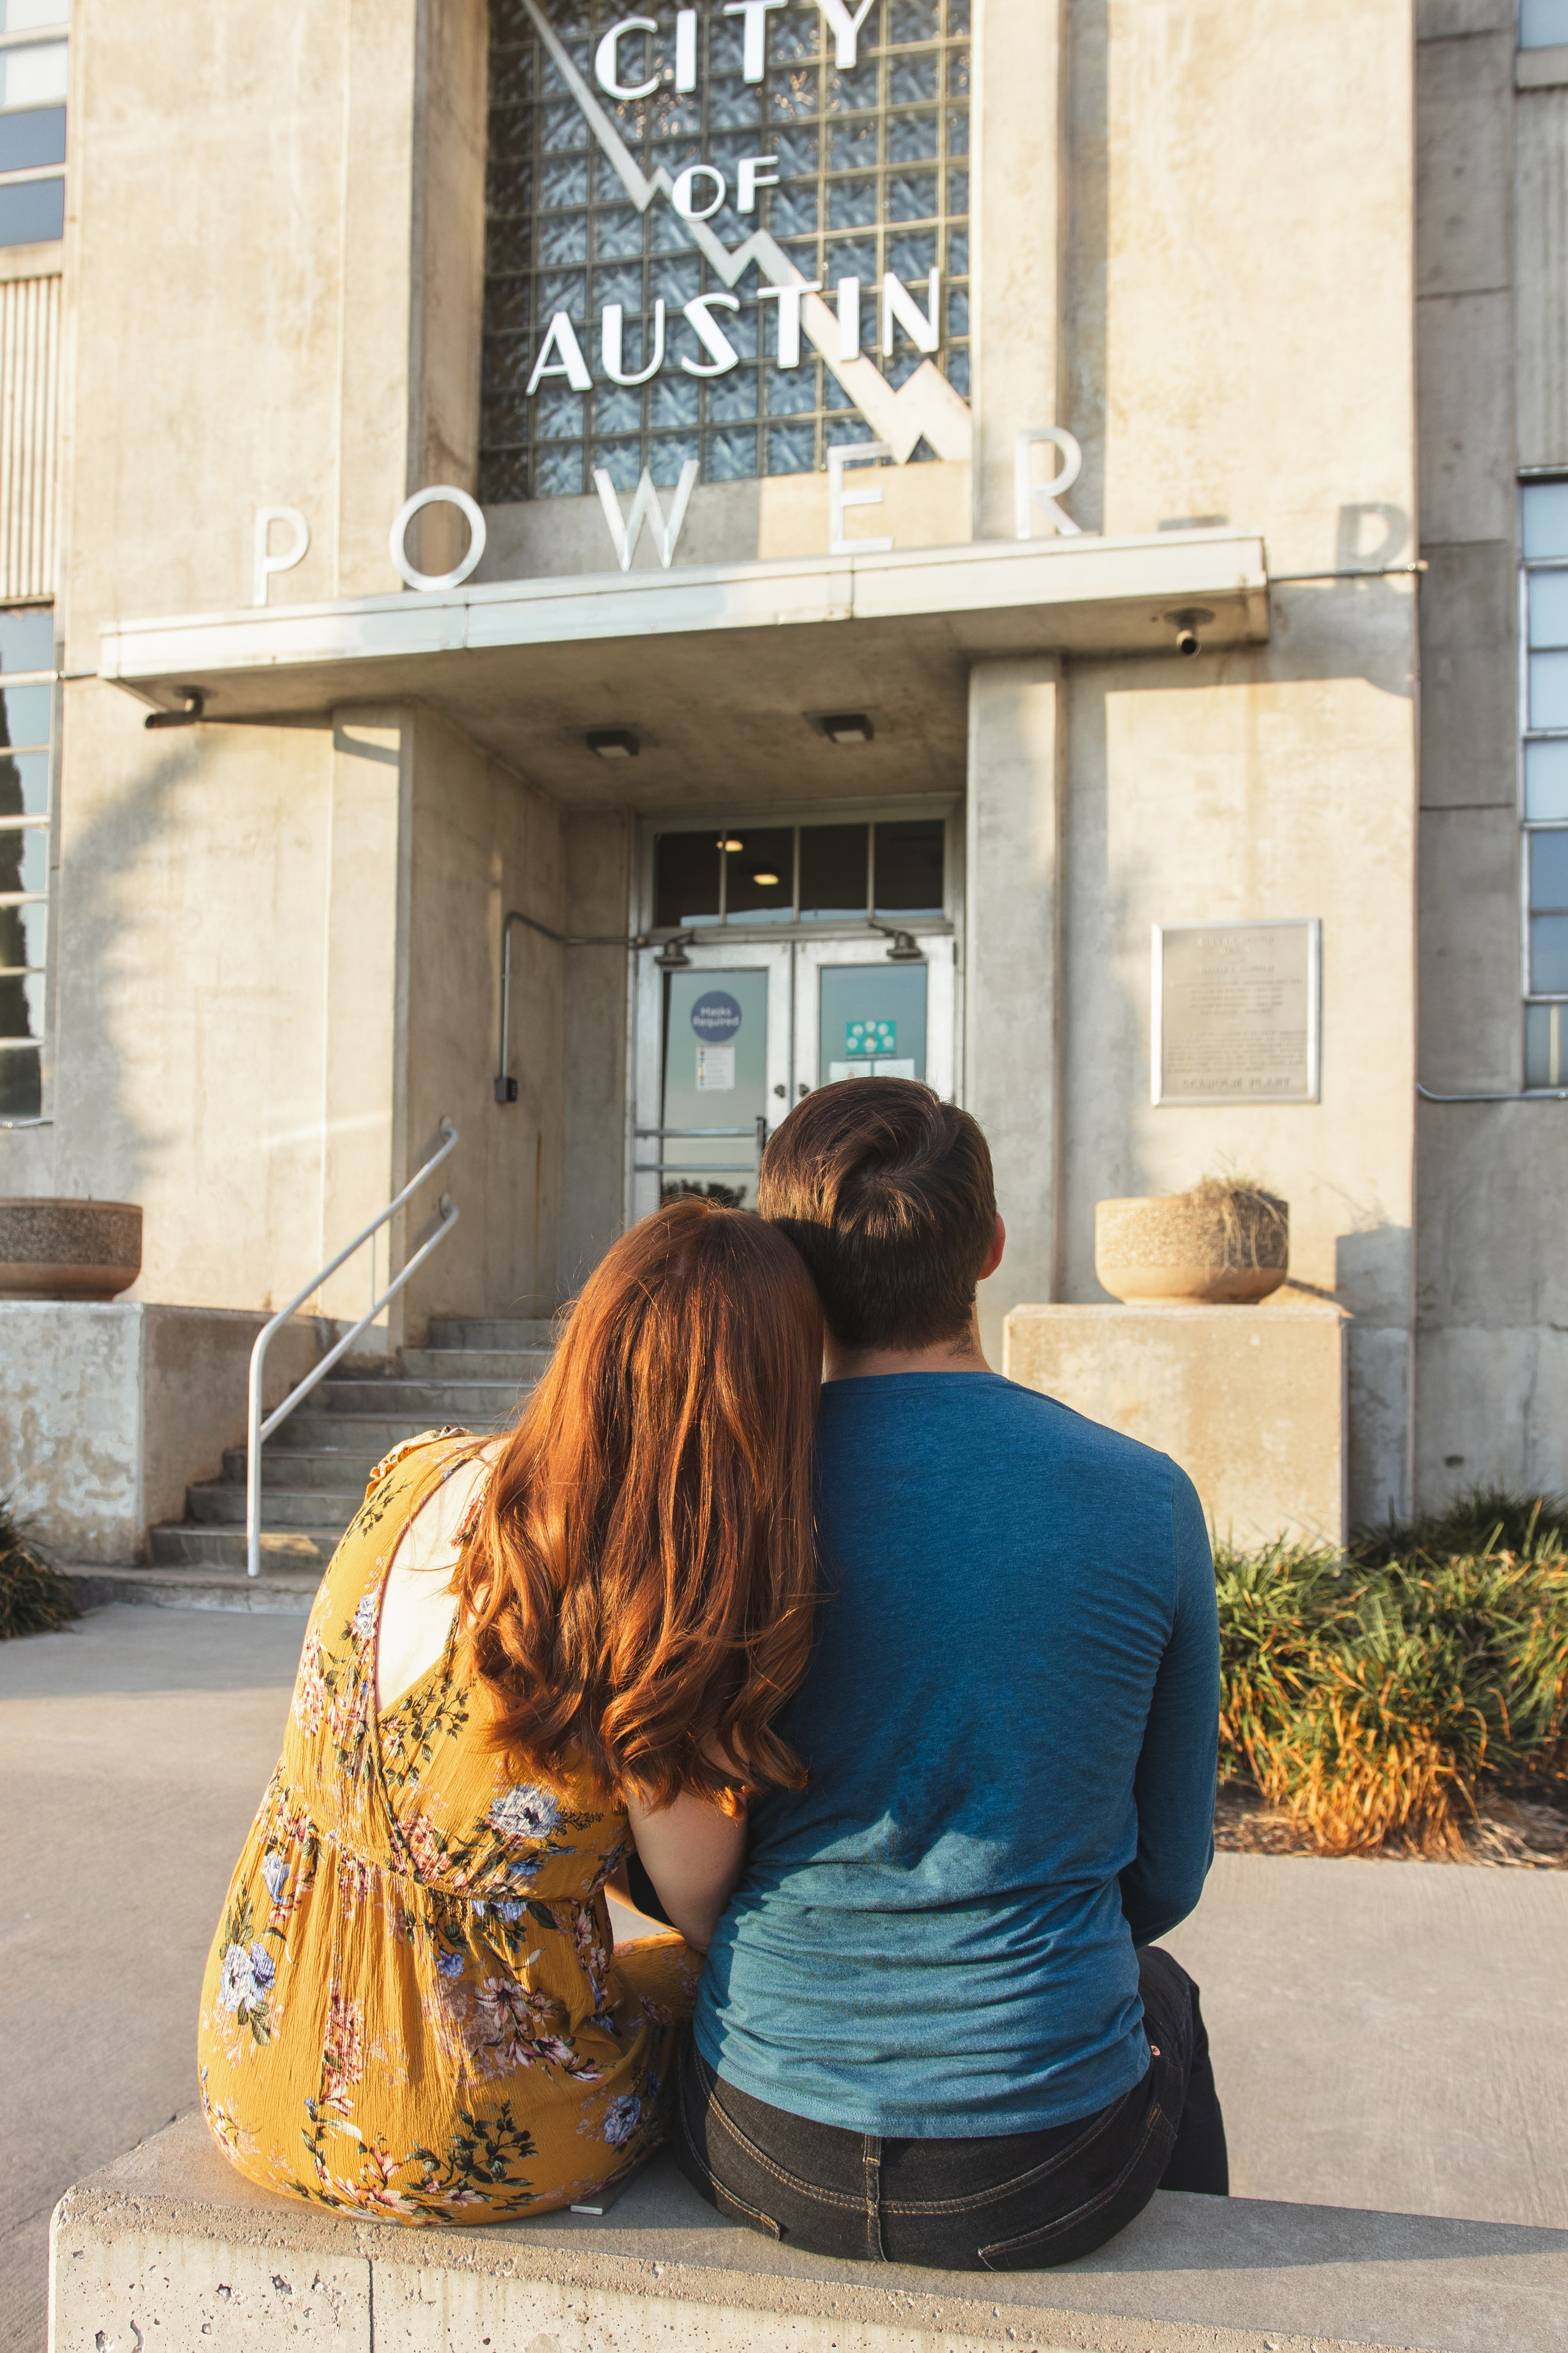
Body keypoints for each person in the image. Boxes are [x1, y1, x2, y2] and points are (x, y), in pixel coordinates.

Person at [674, 1078, 1227, 2270]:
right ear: (988, 1246)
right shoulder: (1145, 1498)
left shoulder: (719, 1495)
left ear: (785, 1256)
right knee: (1160, 1994)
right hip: (1044, 2158)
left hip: (762, 2133)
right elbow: (1167, 1875)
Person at [197, 1198, 822, 2223]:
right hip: (455, 2127)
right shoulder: (644, 1615)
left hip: (254, 2057)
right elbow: (702, 1906)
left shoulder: (414, 1470)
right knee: (715, 1988)